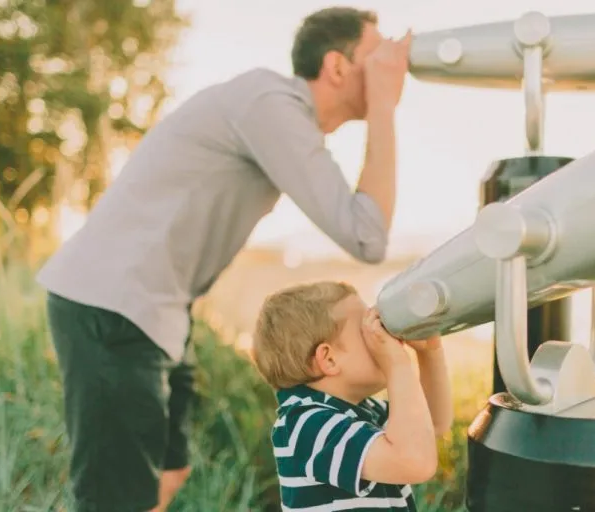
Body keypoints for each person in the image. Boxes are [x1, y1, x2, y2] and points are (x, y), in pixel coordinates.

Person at [37, 6, 411, 512]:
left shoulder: (283, 120)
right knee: (115, 499)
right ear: (337, 66)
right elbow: (367, 237)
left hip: (161, 312)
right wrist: (384, 106)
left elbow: (365, 229)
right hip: (112, 305)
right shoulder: (270, 102)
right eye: (377, 54)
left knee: (168, 472)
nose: (391, 65)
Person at [251, 281, 453, 511]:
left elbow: (434, 423)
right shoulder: (306, 424)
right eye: (366, 330)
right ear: (329, 359)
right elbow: (415, 462)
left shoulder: (364, 409)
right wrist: (397, 365)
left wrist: (429, 353)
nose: (382, 334)